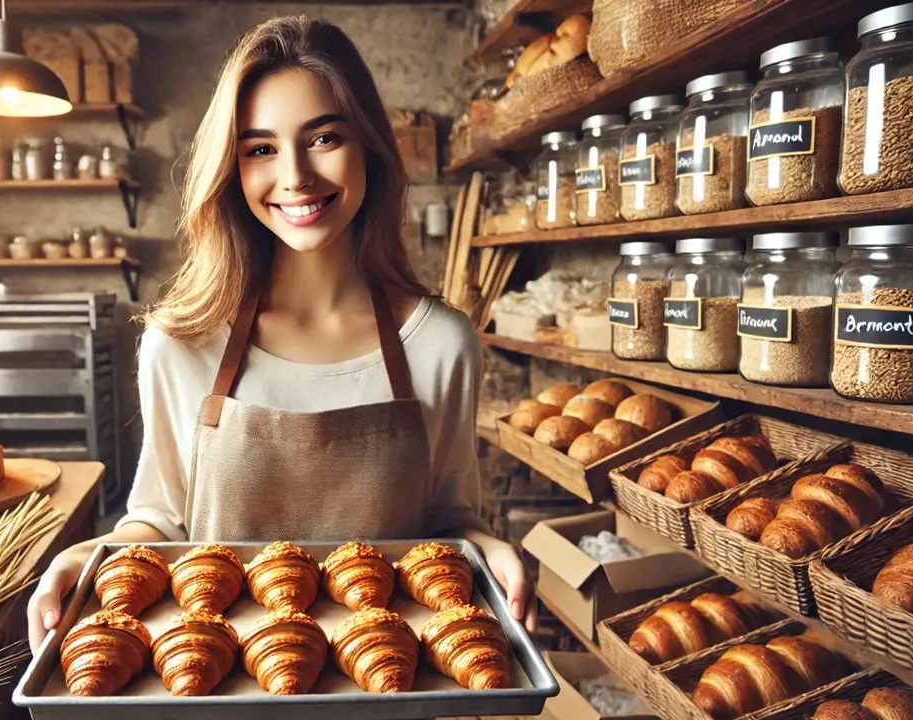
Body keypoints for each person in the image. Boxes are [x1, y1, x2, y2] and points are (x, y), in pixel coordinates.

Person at [28, 15, 536, 653]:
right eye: (261, 149)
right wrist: (88, 555)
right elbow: (161, 522)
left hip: (397, 681)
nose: (295, 175)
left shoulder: (441, 344)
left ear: (370, 147)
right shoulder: (181, 343)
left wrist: (491, 549)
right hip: (217, 680)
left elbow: (448, 523)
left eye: (324, 138)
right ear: (232, 168)